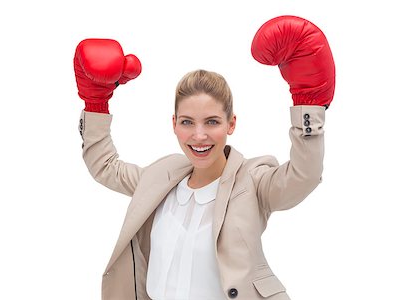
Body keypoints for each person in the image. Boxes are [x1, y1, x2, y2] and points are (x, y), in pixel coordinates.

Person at [74, 15, 335, 300]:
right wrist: (95, 102)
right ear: (174, 123)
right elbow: (105, 167)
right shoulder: (160, 178)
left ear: (231, 124)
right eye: (187, 122)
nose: (199, 136)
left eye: (211, 122)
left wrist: (308, 102)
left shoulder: (253, 182)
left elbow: (304, 175)